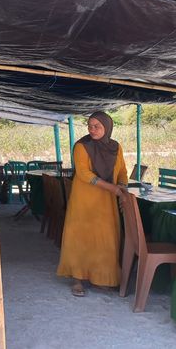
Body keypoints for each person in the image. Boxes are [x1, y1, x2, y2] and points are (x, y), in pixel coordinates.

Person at [56, 111, 128, 297]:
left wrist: (122, 186)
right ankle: (78, 279)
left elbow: (122, 170)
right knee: (81, 238)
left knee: (105, 239)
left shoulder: (116, 147)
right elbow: (83, 173)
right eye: (90, 126)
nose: (92, 129)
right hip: (84, 200)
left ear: (107, 127)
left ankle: (101, 278)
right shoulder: (82, 146)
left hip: (107, 203)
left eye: (97, 126)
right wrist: (112, 189)